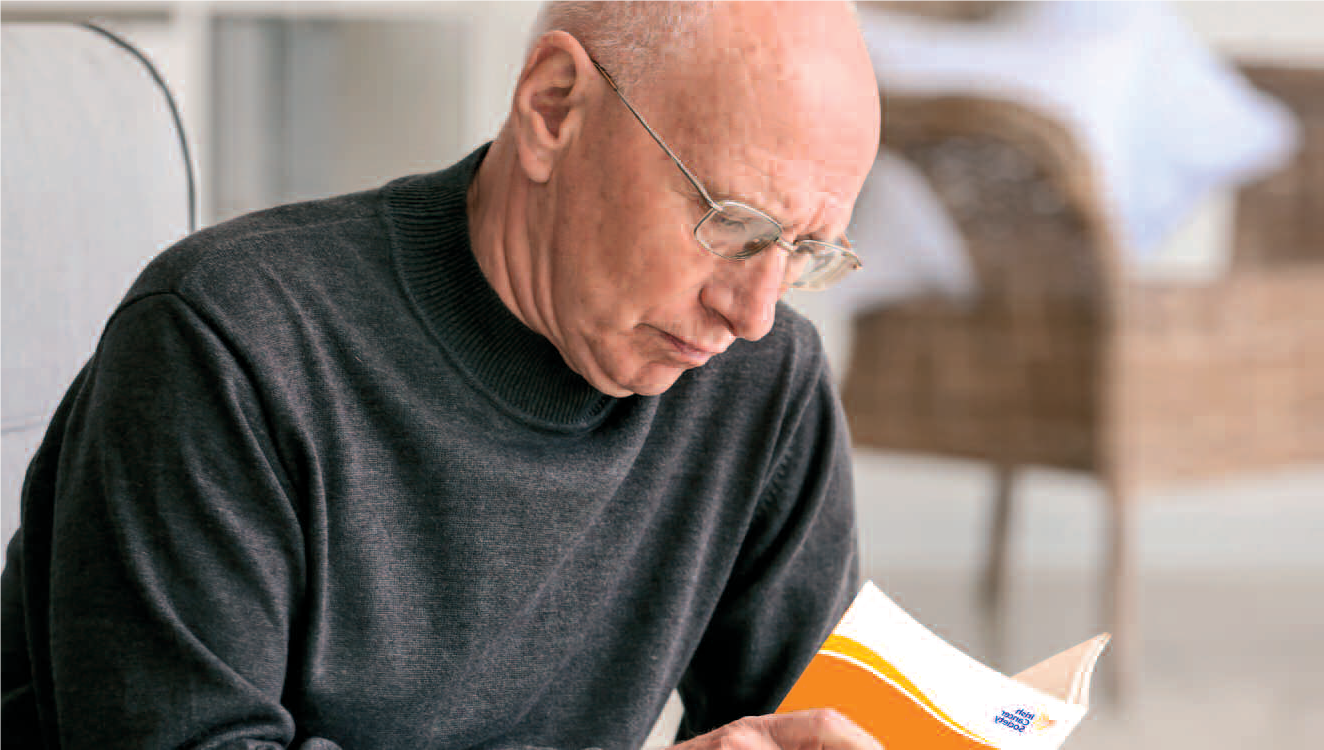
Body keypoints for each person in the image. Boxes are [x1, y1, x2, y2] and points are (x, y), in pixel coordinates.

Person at [0, 0, 882, 747]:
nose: (754, 312)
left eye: (805, 252)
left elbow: (803, 725)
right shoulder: (230, 342)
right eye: (735, 223)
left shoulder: (762, 385)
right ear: (554, 107)